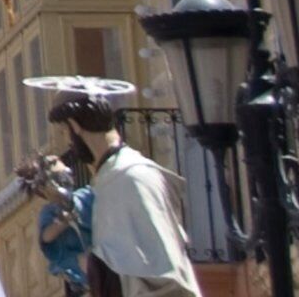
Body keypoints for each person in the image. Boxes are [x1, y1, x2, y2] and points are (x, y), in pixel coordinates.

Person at [54, 91, 200, 297]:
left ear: (74, 126)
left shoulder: (132, 178)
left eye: (63, 132)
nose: (66, 143)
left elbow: (164, 271)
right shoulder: (109, 182)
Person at [22, 153, 91, 297]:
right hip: (77, 267)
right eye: (54, 179)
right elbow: (46, 237)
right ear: (43, 190)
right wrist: (62, 222)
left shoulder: (84, 196)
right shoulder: (49, 212)